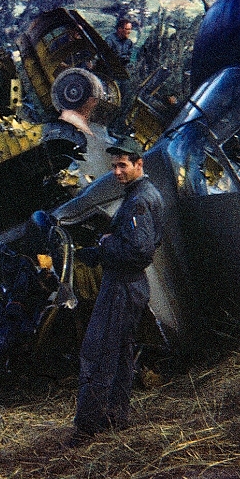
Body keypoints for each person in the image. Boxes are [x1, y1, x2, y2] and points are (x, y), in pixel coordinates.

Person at [68, 135, 165, 446]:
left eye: (123, 166)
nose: (117, 172)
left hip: (122, 286)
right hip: (132, 284)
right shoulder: (146, 194)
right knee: (122, 353)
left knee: (96, 353)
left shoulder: (138, 200)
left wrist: (105, 248)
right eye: (113, 167)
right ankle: (115, 415)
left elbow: (140, 251)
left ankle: (87, 428)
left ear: (139, 164)